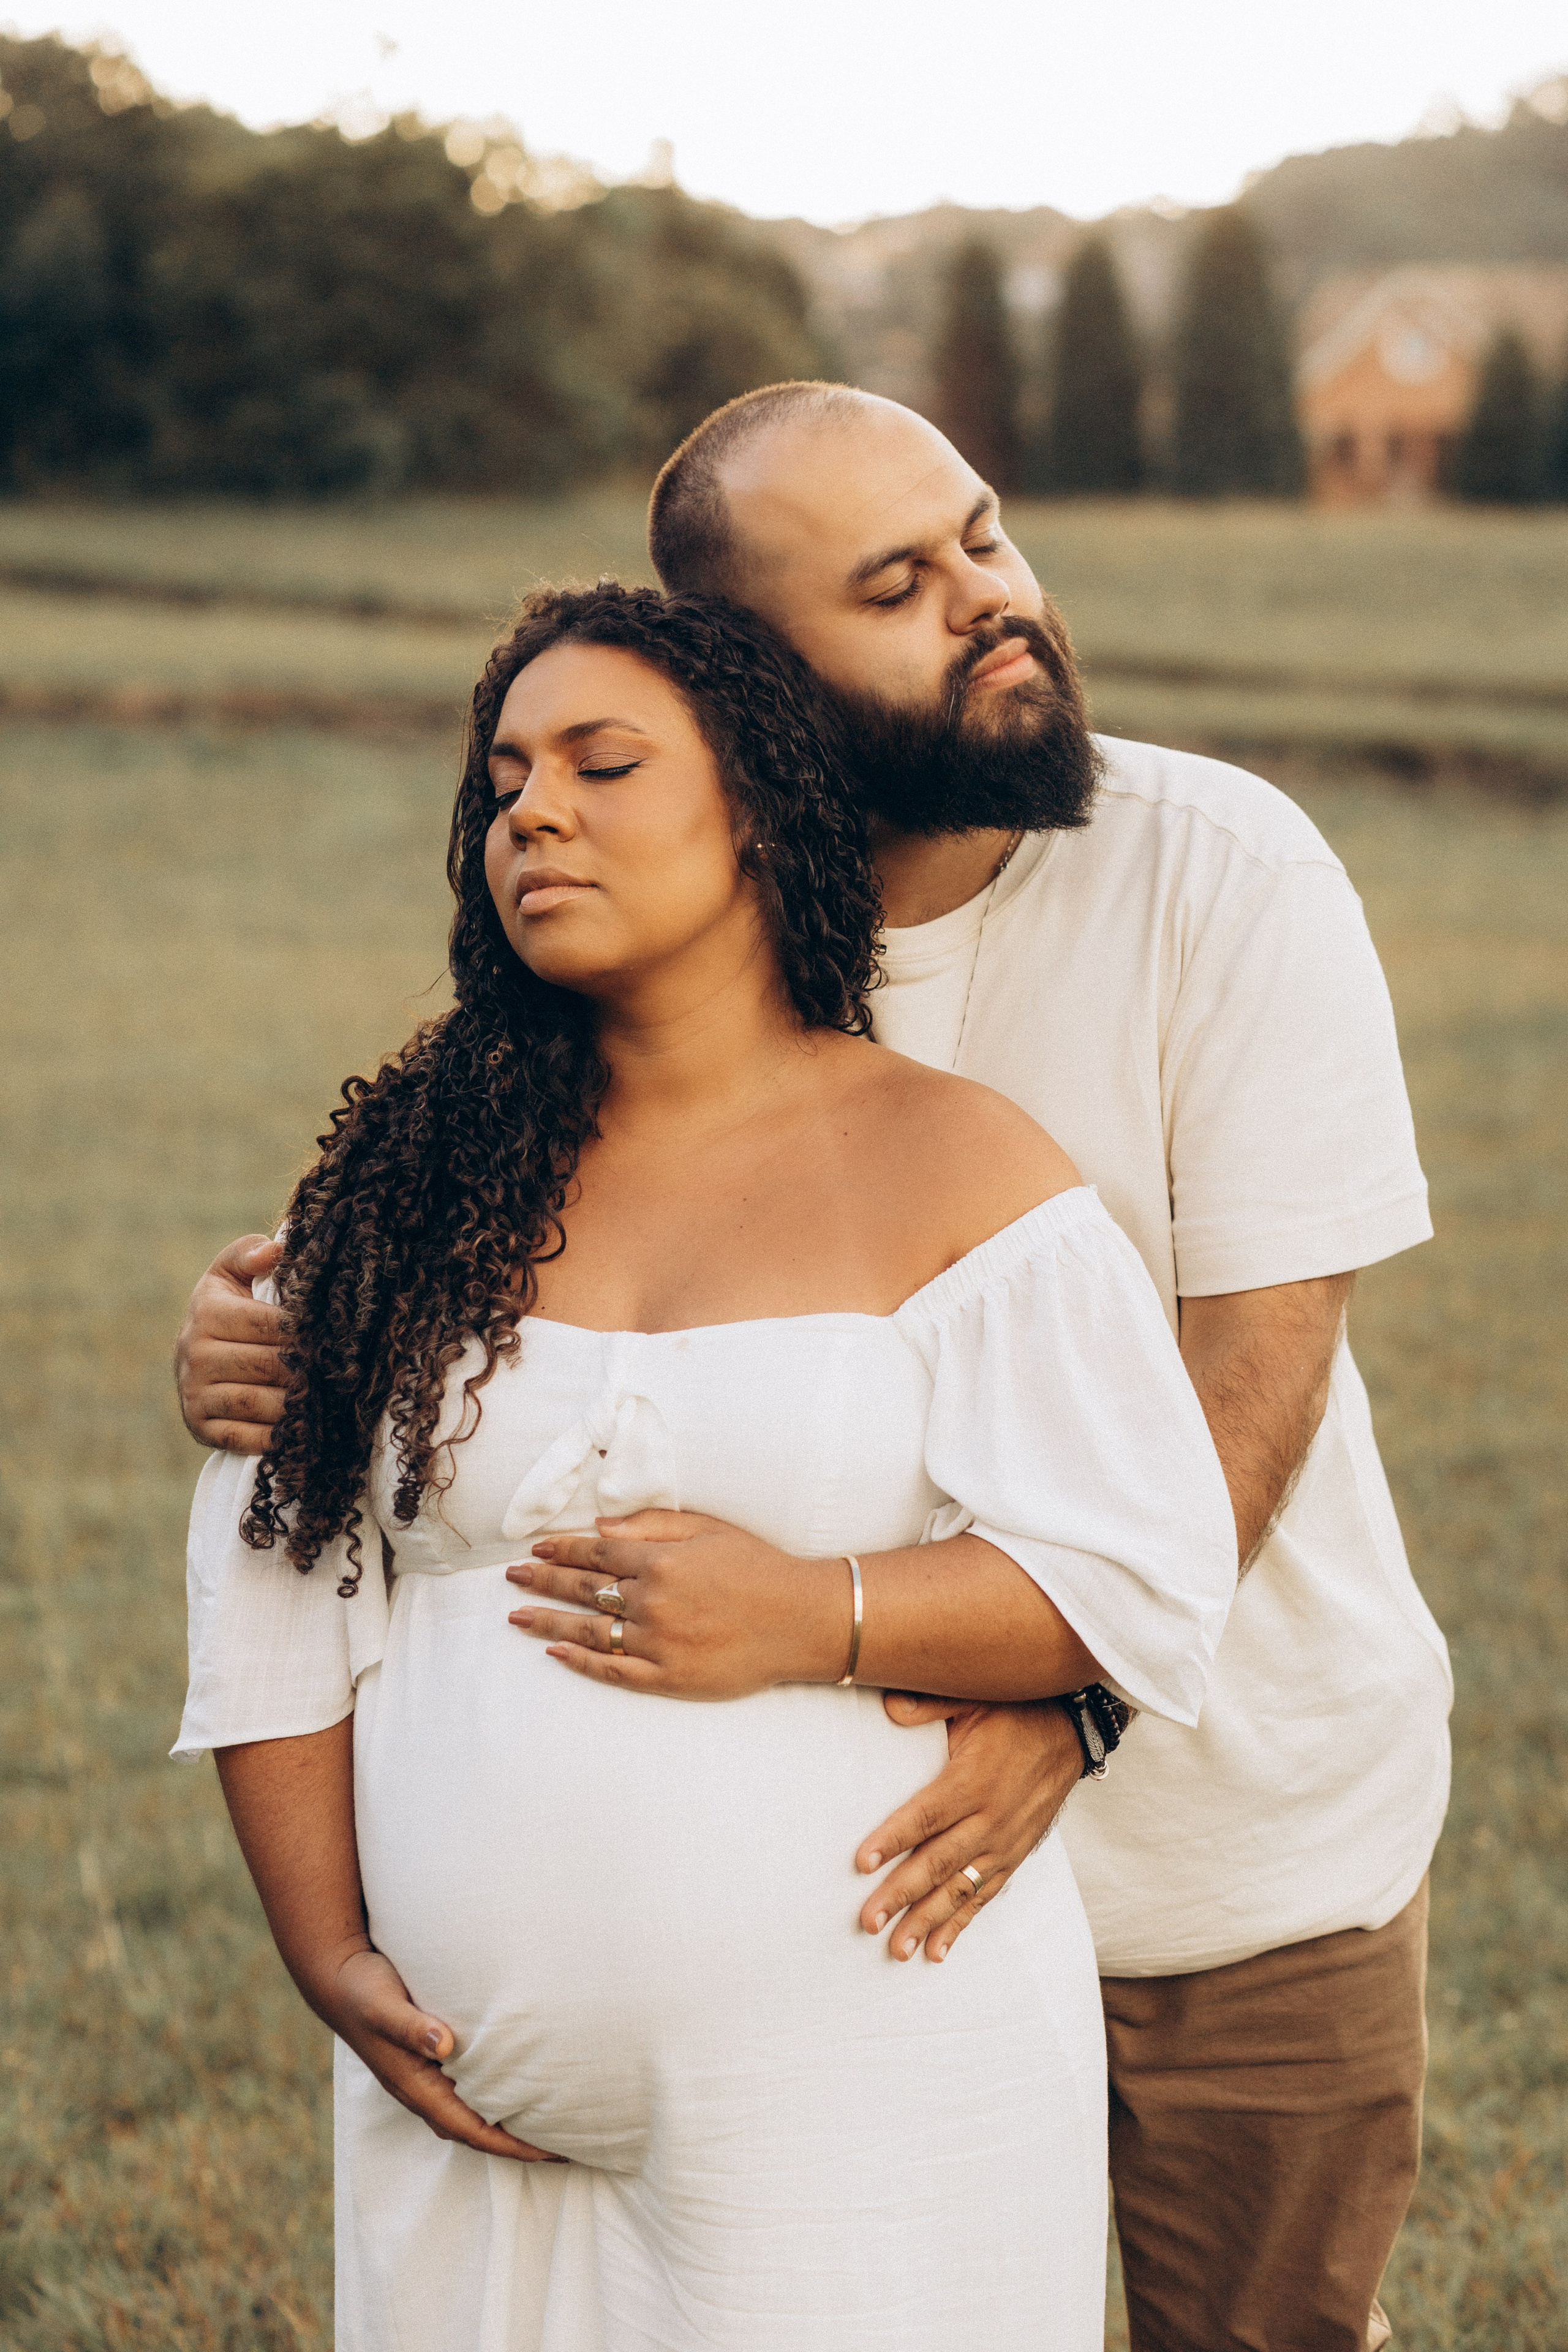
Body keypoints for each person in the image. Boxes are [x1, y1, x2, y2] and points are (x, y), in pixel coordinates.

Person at [176, 385, 1453, 2352]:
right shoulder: (624, 977)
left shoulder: (1220, 874)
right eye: (898, 584)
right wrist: (284, 1351)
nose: (993, 601)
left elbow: (1240, 1400)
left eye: (984, 537)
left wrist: (1060, 1704)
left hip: (1236, 1840)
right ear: (753, 685)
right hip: (817, 1977)